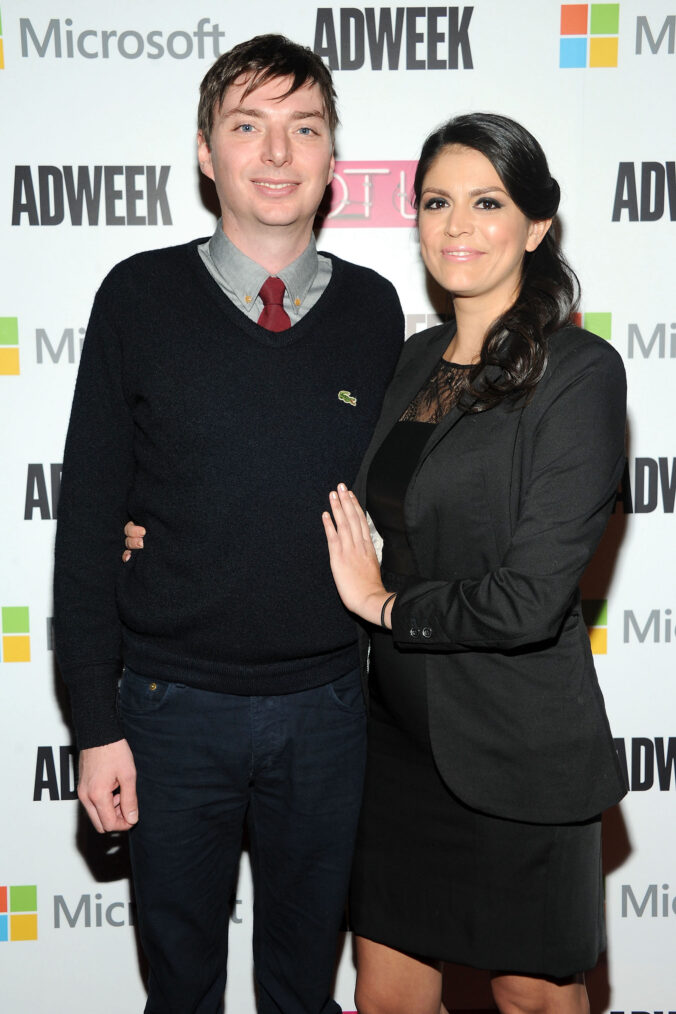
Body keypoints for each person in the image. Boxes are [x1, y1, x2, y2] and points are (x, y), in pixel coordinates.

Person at [54, 34, 403, 1014]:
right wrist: (95, 727)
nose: (278, 153)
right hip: (169, 714)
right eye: (247, 127)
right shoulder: (137, 298)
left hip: (330, 711)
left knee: (303, 993)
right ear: (207, 154)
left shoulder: (379, 313)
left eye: (304, 128)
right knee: (182, 994)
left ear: (334, 158)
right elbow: (86, 527)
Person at [321, 113, 627, 1014]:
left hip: (516, 752)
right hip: (394, 751)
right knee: (386, 998)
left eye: (486, 201)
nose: (456, 225)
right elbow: (341, 500)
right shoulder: (412, 361)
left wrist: (384, 607)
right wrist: (166, 528)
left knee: (534, 998)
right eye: (436, 202)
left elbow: (530, 599)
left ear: (535, 226)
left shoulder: (578, 372)